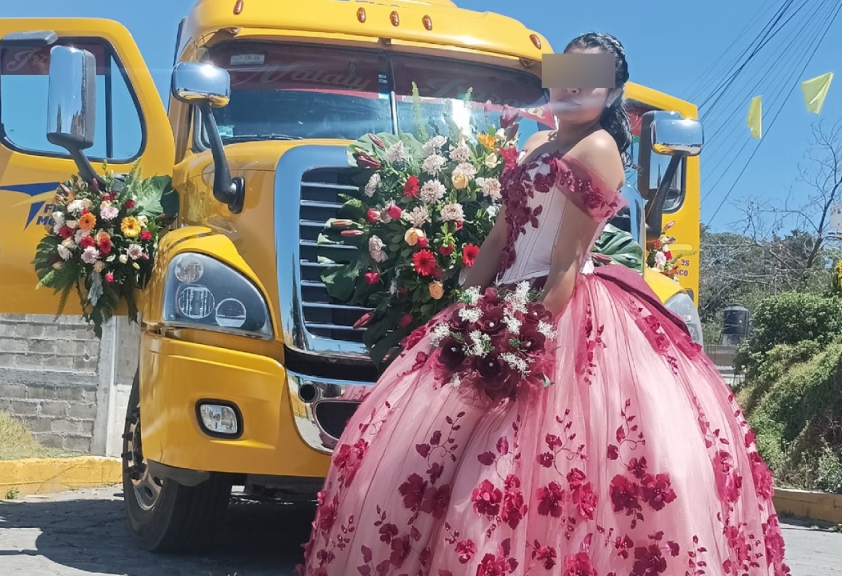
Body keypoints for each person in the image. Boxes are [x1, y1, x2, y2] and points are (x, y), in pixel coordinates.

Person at [298, 32, 791, 576]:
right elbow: (496, 239)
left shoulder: (598, 148)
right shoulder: (537, 145)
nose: (571, 82)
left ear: (611, 93)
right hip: (501, 304)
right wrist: (463, 308)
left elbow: (564, 265)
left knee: (525, 466)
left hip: (554, 310)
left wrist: (519, 341)